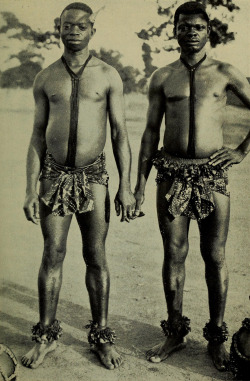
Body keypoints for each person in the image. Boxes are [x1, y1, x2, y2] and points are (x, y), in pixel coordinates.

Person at [134, 1, 250, 372]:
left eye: (198, 27)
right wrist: (138, 184)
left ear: (208, 30)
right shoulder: (162, 76)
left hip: (212, 172)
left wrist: (242, 151)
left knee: (214, 255)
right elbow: (151, 131)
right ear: (175, 30)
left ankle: (216, 337)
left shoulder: (225, 72)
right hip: (171, 171)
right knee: (174, 253)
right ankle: (175, 331)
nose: (191, 32)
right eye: (184, 26)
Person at [22, 2, 135, 370]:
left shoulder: (108, 75)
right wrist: (29, 189)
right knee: (52, 254)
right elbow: (38, 135)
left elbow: (119, 134)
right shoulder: (45, 78)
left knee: (95, 255)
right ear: (58, 28)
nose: (74, 30)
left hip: (94, 177)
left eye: (81, 25)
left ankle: (101, 336)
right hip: (54, 176)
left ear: (92, 31)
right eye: (67, 25)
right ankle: (45, 337)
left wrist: (126, 187)